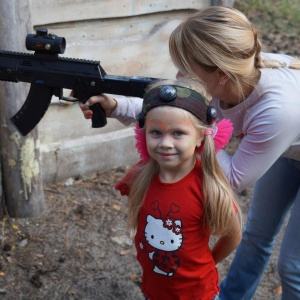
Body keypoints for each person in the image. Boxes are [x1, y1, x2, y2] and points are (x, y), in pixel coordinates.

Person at [80, 6, 300, 300]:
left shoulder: (278, 110)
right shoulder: (229, 76)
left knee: (292, 267)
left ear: (220, 75)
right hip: (286, 147)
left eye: (187, 68)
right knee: (256, 237)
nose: (179, 75)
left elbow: (232, 177)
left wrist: (200, 129)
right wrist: (116, 106)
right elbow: (172, 115)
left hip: (286, 132)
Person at [113, 78, 242, 300]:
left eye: (178, 133)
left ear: (201, 136)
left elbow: (233, 235)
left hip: (197, 294)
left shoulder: (208, 186)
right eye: (156, 132)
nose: (165, 143)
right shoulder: (140, 177)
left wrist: (209, 261)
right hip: (154, 288)